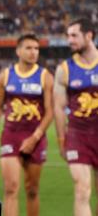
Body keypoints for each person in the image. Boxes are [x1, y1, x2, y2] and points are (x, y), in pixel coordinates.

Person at [0, 33, 53, 216]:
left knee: (32, 190)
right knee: (10, 189)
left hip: (35, 137)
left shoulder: (45, 77)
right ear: (18, 51)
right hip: (11, 136)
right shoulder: (6, 76)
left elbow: (49, 112)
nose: (33, 52)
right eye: (29, 48)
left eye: (36, 48)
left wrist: (34, 138)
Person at [54, 19, 98, 216]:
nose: (69, 40)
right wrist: (61, 138)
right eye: (68, 35)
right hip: (77, 135)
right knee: (82, 190)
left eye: (74, 35)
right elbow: (59, 106)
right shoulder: (64, 69)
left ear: (89, 35)